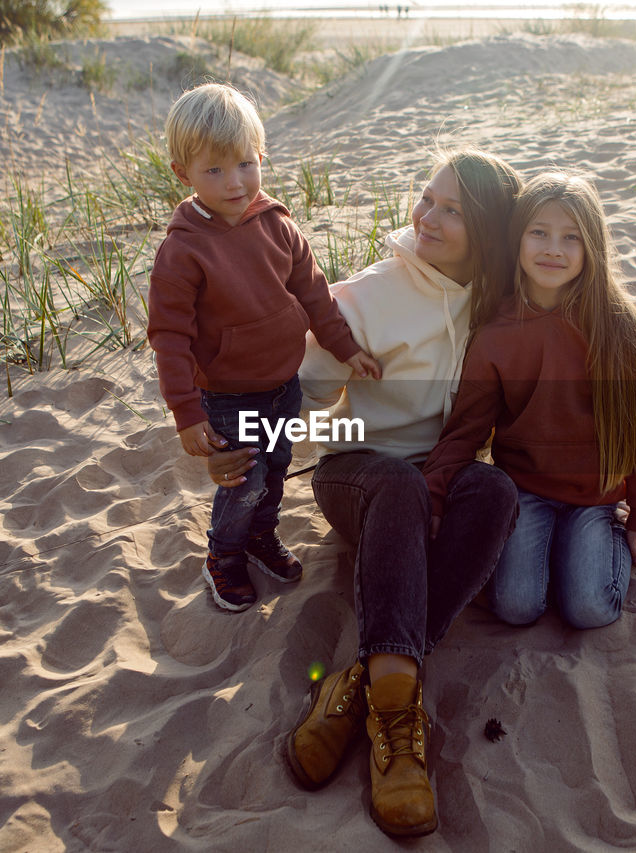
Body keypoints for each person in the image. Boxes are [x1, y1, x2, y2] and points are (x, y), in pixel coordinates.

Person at [210, 149, 522, 837]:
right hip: (358, 475)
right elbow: (302, 391)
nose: (426, 216)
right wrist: (237, 431)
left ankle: (363, 681)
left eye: (452, 211)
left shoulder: (498, 304)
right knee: (399, 482)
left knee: (496, 492)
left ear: (488, 233)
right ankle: (400, 725)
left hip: (440, 474)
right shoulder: (369, 295)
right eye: (427, 198)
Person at [422, 171, 636, 630]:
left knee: (590, 608)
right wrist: (433, 499)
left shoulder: (616, 326)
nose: (553, 249)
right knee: (516, 607)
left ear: (592, 247)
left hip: (597, 496)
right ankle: (557, 549)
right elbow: (465, 430)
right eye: (539, 233)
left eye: (571, 237)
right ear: (518, 238)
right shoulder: (495, 335)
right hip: (526, 490)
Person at [147, 82, 380, 613]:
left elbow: (314, 293)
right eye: (215, 170)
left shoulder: (277, 224)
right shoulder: (182, 252)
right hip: (228, 395)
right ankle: (223, 555)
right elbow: (170, 337)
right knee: (242, 481)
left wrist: (345, 348)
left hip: (283, 384)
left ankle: (260, 537)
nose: (235, 183)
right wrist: (186, 413)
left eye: (246, 165)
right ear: (183, 174)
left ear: (261, 157)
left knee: (274, 471)